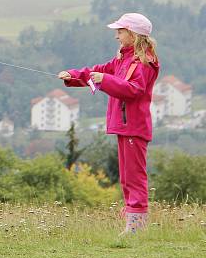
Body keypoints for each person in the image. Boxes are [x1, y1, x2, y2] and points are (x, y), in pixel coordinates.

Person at [57, 12, 159, 236]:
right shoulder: (123, 59)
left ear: (133, 34)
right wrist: (72, 76)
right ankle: (131, 223)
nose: (117, 36)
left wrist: (107, 81)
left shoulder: (144, 62)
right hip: (124, 126)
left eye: (121, 31)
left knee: (134, 176)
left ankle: (136, 228)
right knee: (125, 176)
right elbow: (99, 71)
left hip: (134, 126)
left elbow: (134, 90)